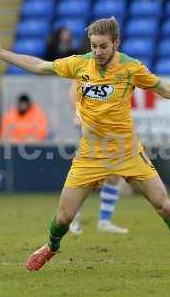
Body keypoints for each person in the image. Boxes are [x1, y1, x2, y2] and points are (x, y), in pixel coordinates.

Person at [0, 17, 170, 273]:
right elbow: (40, 66)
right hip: (90, 153)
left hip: (127, 151)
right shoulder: (80, 64)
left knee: (164, 205)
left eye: (103, 46)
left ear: (116, 43)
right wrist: (1, 52)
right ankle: (51, 247)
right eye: (93, 46)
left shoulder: (131, 67)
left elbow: (165, 89)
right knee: (65, 218)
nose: (98, 51)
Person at [68, 80, 128, 235]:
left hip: (111, 129)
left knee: (114, 175)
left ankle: (104, 221)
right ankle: (73, 218)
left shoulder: (119, 70)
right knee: (86, 178)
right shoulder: (86, 67)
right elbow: (74, 89)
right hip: (92, 129)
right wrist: (78, 112)